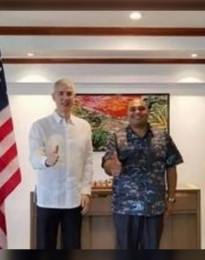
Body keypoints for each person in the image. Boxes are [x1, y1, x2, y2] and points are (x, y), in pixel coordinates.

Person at [102, 98, 183, 249]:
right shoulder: (116, 137)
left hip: (154, 208)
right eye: (132, 109)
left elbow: (171, 167)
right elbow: (107, 163)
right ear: (127, 113)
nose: (137, 112)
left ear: (148, 112)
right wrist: (112, 167)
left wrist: (171, 199)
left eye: (141, 108)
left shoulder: (163, 137)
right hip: (124, 208)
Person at [29, 78, 93, 249]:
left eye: (69, 94)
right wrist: (46, 161)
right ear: (53, 96)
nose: (65, 98)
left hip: (73, 200)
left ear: (74, 97)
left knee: (73, 246)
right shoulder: (40, 126)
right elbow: (34, 157)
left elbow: (88, 161)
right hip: (48, 200)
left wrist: (86, 191)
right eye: (61, 93)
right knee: (45, 246)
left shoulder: (84, 126)